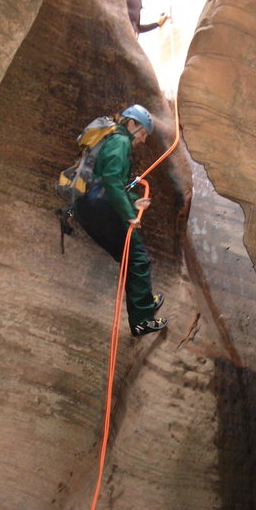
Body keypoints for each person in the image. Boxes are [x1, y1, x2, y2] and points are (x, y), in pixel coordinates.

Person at [74, 104, 167, 337]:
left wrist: (133, 202)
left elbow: (110, 181)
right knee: (137, 259)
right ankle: (142, 321)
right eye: (143, 133)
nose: (143, 140)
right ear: (132, 124)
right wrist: (128, 214)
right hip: (99, 209)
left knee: (132, 259)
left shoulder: (112, 136)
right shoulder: (121, 141)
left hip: (90, 204)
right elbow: (112, 180)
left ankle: (143, 300)